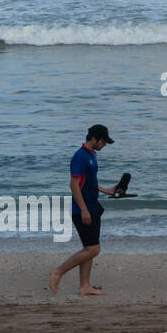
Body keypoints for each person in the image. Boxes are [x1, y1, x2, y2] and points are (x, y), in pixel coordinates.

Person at [49, 125, 117, 296]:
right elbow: (73, 184)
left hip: (93, 206)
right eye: (103, 142)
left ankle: (84, 286)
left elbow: (89, 181)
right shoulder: (80, 156)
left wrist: (106, 190)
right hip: (82, 210)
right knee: (93, 249)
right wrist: (84, 210)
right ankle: (58, 272)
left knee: (88, 249)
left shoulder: (91, 155)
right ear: (93, 138)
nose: (104, 145)